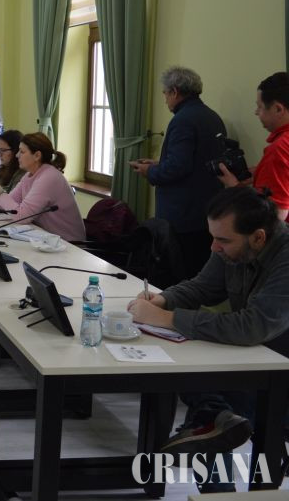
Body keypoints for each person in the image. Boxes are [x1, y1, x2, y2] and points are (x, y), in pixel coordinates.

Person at [128, 186, 289, 492]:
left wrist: (167, 319)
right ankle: (214, 433)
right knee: (213, 414)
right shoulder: (233, 246)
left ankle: (213, 433)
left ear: (258, 237)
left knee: (211, 409)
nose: (214, 247)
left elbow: (253, 326)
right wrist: (163, 300)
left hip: (280, 380)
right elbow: (204, 286)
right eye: (213, 237)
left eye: (223, 240)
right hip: (257, 363)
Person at [130, 67, 226, 277]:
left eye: (165, 93)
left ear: (174, 92)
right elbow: (196, 162)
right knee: (199, 275)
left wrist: (149, 171)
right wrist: (159, 163)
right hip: (208, 211)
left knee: (179, 276)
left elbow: (177, 168)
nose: (165, 100)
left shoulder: (182, 120)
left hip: (182, 216)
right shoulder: (212, 117)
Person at [0, 132, 86, 241]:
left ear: (37, 155)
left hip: (69, 244)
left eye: (22, 152)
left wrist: (0, 192)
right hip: (47, 238)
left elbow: (22, 216)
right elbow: (5, 206)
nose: (17, 155)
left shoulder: (49, 177)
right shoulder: (30, 174)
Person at [217, 71, 289, 220]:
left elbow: (273, 217)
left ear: (278, 109)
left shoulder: (279, 150)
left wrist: (235, 187)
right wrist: (262, 172)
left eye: (260, 107)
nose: (256, 112)